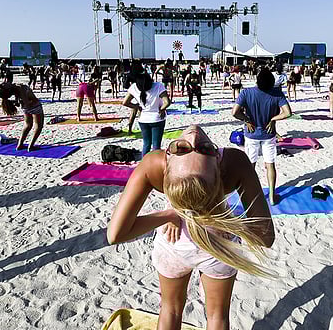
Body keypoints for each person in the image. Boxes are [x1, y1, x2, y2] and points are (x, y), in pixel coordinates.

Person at [107, 124, 275, 330]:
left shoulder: (154, 163)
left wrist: (171, 213)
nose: (194, 136)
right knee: (217, 318)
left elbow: (115, 233)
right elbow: (265, 237)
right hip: (219, 244)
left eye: (205, 148)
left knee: (170, 309)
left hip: (173, 242)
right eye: (182, 148)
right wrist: (226, 222)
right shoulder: (235, 162)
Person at [232, 67, 292, 206]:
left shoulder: (246, 92)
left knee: (250, 166)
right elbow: (288, 113)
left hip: (251, 134)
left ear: (257, 81)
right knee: (270, 165)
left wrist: (246, 119)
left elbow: (235, 112)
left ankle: (248, 195)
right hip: (268, 134)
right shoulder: (276, 93)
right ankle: (271, 196)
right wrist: (273, 119)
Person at [122, 72, 170, 155]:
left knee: (146, 144)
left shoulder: (134, 87)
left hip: (143, 119)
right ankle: (155, 165)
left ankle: (143, 164)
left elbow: (125, 102)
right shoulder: (158, 86)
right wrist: (161, 110)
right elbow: (167, 102)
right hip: (157, 119)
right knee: (156, 146)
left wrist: (137, 106)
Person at [0, 83, 44, 151]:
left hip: (25, 108)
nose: (4, 83)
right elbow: (27, 103)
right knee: (38, 126)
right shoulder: (19, 88)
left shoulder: (15, 88)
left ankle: (20, 145)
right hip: (34, 106)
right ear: (8, 88)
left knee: (27, 125)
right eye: (4, 85)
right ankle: (31, 146)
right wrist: (33, 101)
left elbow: (19, 102)